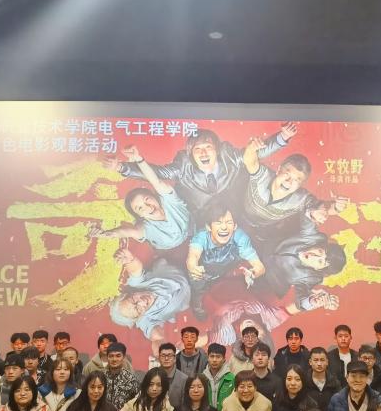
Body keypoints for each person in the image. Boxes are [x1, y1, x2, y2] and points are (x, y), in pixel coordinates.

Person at [114, 124, 297, 213]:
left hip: (233, 207)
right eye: (197, 149)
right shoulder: (183, 165)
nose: (203, 153)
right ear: (191, 154)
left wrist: (282, 137)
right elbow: (158, 173)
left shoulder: (228, 156)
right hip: (199, 212)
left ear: (216, 149)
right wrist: (123, 167)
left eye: (208, 147)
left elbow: (256, 153)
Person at [93, 146, 192, 251]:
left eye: (147, 200)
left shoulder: (170, 200)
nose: (147, 207)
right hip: (169, 251)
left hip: (194, 235)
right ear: (140, 215)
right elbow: (128, 231)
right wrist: (106, 233)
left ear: (155, 197)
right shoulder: (146, 227)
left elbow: (155, 181)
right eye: (139, 208)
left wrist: (138, 159)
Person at [186, 204, 265, 320]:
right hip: (201, 273)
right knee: (197, 289)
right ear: (208, 227)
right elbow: (193, 256)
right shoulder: (201, 236)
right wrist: (193, 267)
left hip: (224, 270)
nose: (224, 227)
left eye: (229, 222)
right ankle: (197, 305)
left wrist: (253, 273)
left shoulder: (240, 237)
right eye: (218, 222)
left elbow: (259, 266)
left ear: (235, 226)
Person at [109, 251, 191, 356]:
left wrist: (130, 260)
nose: (141, 302)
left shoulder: (138, 285)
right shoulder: (146, 320)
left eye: (133, 300)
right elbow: (156, 338)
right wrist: (161, 351)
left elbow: (135, 270)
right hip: (191, 293)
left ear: (130, 293)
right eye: (138, 309)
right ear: (139, 316)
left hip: (177, 266)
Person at [103, 342, 140, 410]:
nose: (114, 359)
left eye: (118, 356)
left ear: (124, 357)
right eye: (111, 356)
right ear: (107, 357)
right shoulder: (101, 377)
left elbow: (138, 403)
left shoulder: (131, 379)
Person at [305, 347, 342, 411]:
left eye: (322, 360)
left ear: (327, 362)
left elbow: (339, 404)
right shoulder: (304, 381)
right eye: (316, 360)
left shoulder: (334, 382)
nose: (319, 364)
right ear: (310, 362)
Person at [201, 343, 236, 410]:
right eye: (212, 356)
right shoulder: (202, 378)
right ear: (208, 358)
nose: (214, 360)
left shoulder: (232, 379)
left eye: (218, 357)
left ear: (224, 359)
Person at [156, 342, 188, 406]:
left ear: (175, 358)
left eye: (170, 355)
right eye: (163, 356)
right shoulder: (152, 376)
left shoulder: (184, 379)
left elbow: (185, 404)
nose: (166, 358)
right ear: (159, 358)